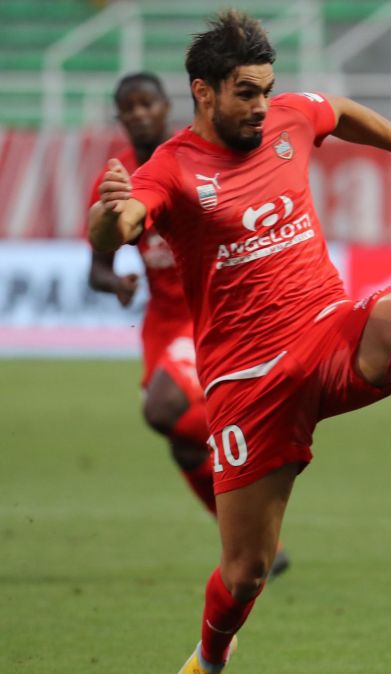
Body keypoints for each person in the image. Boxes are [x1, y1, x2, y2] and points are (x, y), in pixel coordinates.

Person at [87, 11, 391, 673]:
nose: (263, 106)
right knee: (244, 573)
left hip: (325, 332)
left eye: (268, 89)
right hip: (247, 384)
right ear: (203, 92)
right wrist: (106, 219)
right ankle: (209, 658)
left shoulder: (290, 119)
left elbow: (339, 111)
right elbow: (122, 222)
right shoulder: (173, 168)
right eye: (247, 92)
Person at [86, 72, 294, 579]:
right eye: (127, 108)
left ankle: (250, 438)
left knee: (161, 409)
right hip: (163, 321)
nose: (138, 114)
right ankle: (256, 536)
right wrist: (119, 286)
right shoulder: (114, 182)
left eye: (146, 104)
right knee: (181, 441)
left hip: (211, 313)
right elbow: (96, 268)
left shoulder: (196, 161)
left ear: (166, 107)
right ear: (120, 118)